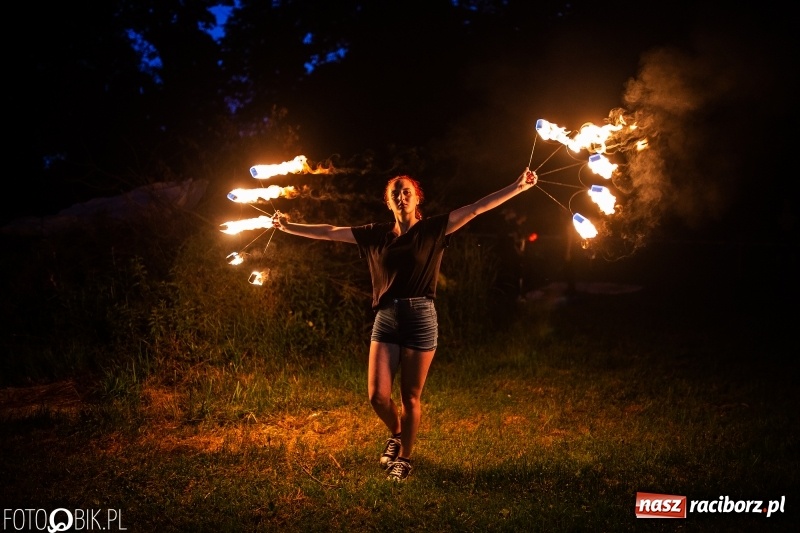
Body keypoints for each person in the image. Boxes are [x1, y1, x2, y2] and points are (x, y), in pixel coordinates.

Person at [271, 167, 538, 481]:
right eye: (395, 192)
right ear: (388, 202)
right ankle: (397, 434)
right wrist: (288, 227)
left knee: (410, 396)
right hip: (386, 318)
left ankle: (406, 458)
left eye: (406, 191)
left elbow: (478, 207)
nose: (401, 196)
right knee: (377, 396)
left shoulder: (433, 230)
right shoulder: (375, 234)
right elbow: (330, 230)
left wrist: (517, 187)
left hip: (420, 317)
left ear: (416, 198)